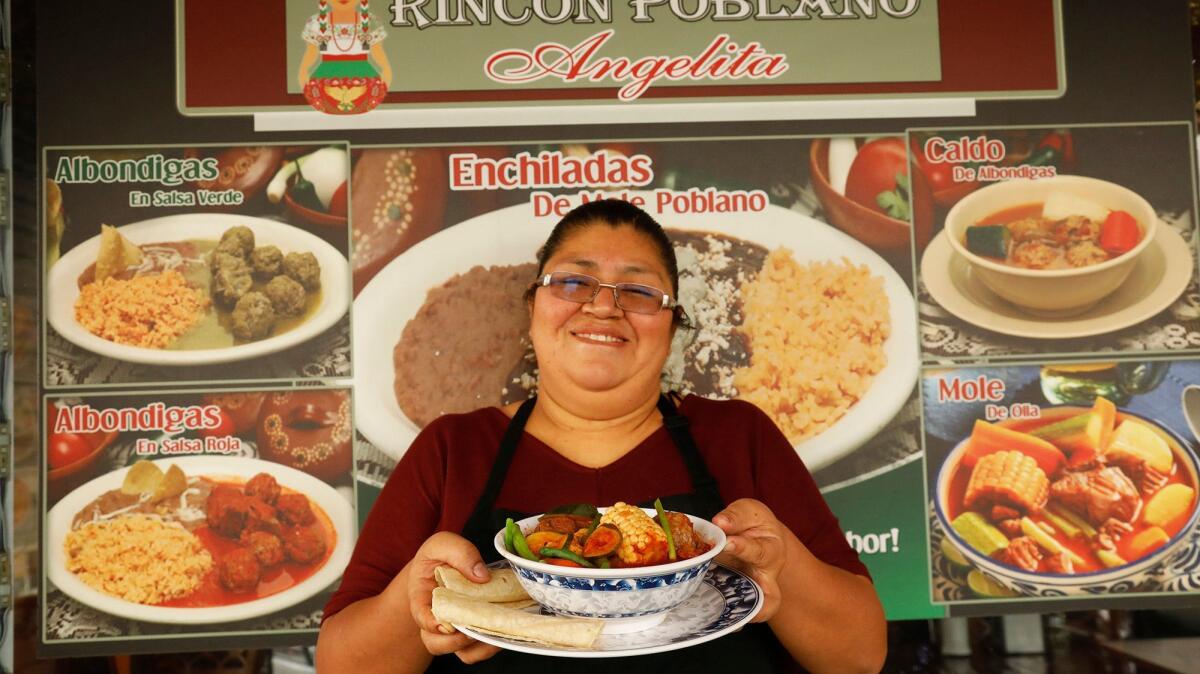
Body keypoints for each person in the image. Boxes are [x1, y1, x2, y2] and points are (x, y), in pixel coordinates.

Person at [316, 199, 887, 673]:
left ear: (673, 326)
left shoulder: (740, 436)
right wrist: (413, 598)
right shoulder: (453, 448)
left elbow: (860, 656)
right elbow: (340, 664)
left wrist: (779, 563)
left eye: (638, 292)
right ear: (533, 306)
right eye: (572, 280)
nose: (602, 307)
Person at [297, 0, 392, 114]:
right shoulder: (315, 22)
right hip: (325, 74)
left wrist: (386, 70)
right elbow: (311, 51)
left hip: (364, 74)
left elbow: (377, 50)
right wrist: (303, 71)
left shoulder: (371, 21)